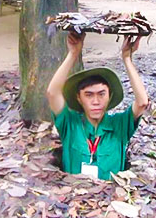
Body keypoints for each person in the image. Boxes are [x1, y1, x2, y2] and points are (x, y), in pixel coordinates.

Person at [46, 31, 149, 180]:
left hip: (111, 198)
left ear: (110, 96)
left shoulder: (119, 125)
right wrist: (73, 54)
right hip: (75, 197)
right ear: (79, 98)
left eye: (101, 94)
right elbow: (52, 93)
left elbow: (142, 102)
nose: (96, 101)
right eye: (89, 95)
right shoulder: (70, 123)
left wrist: (127, 58)